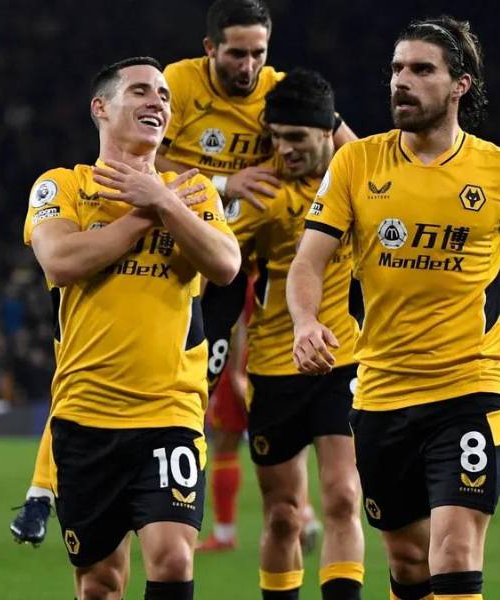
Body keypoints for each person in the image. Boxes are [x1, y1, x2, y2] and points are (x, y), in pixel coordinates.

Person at [287, 17, 500, 600]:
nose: (401, 81)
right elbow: (308, 262)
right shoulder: (356, 163)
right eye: (396, 69)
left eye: (421, 70)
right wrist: (306, 320)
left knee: (456, 551)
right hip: (381, 393)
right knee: (409, 561)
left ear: (460, 85)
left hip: (470, 389)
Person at [22, 56, 240, 600]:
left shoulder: (192, 192)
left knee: (172, 558)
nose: (157, 102)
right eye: (141, 91)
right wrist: (147, 213)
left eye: (164, 95)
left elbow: (225, 263)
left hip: (170, 412)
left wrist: (163, 198)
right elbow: (61, 261)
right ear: (101, 107)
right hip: (86, 415)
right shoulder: (62, 186)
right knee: (100, 583)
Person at [226, 69, 364, 599]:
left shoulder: (358, 180)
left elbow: (379, 160)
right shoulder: (260, 191)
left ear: (329, 131)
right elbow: (215, 261)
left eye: (298, 137)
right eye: (277, 137)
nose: (285, 149)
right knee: (283, 514)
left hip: (342, 361)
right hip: (274, 366)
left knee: (343, 497)